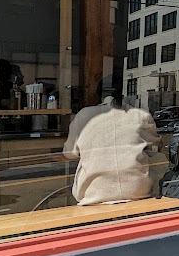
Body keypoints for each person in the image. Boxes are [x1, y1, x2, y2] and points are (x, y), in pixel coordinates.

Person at [63, 76, 161, 205]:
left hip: (94, 193)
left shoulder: (85, 115)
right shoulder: (140, 115)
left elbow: (69, 153)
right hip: (138, 190)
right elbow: (154, 148)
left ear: (99, 93)